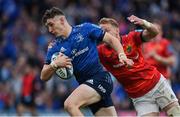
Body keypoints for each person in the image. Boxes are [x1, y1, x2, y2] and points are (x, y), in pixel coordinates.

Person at [40, 7, 133, 116]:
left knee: (70, 105)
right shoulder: (54, 47)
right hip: (87, 87)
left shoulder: (85, 29)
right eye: (47, 27)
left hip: (100, 79)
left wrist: (122, 55)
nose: (50, 30)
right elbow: (43, 76)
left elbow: (112, 40)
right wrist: (54, 64)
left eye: (51, 24)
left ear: (62, 20)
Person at [98, 16, 180, 116]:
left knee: (175, 113)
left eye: (106, 30)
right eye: (101, 32)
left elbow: (154, 32)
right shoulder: (101, 51)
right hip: (140, 97)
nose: (103, 34)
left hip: (157, 84)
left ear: (117, 30)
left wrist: (144, 23)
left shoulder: (131, 37)